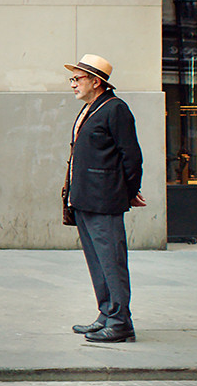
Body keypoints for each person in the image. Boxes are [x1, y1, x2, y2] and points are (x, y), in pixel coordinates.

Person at [62, 54, 145, 343]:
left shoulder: (115, 109)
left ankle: (121, 323)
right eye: (72, 79)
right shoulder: (89, 109)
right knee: (97, 261)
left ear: (96, 82)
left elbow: (131, 156)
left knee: (111, 262)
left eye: (77, 78)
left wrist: (129, 192)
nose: (73, 84)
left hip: (104, 200)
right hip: (84, 199)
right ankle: (107, 313)